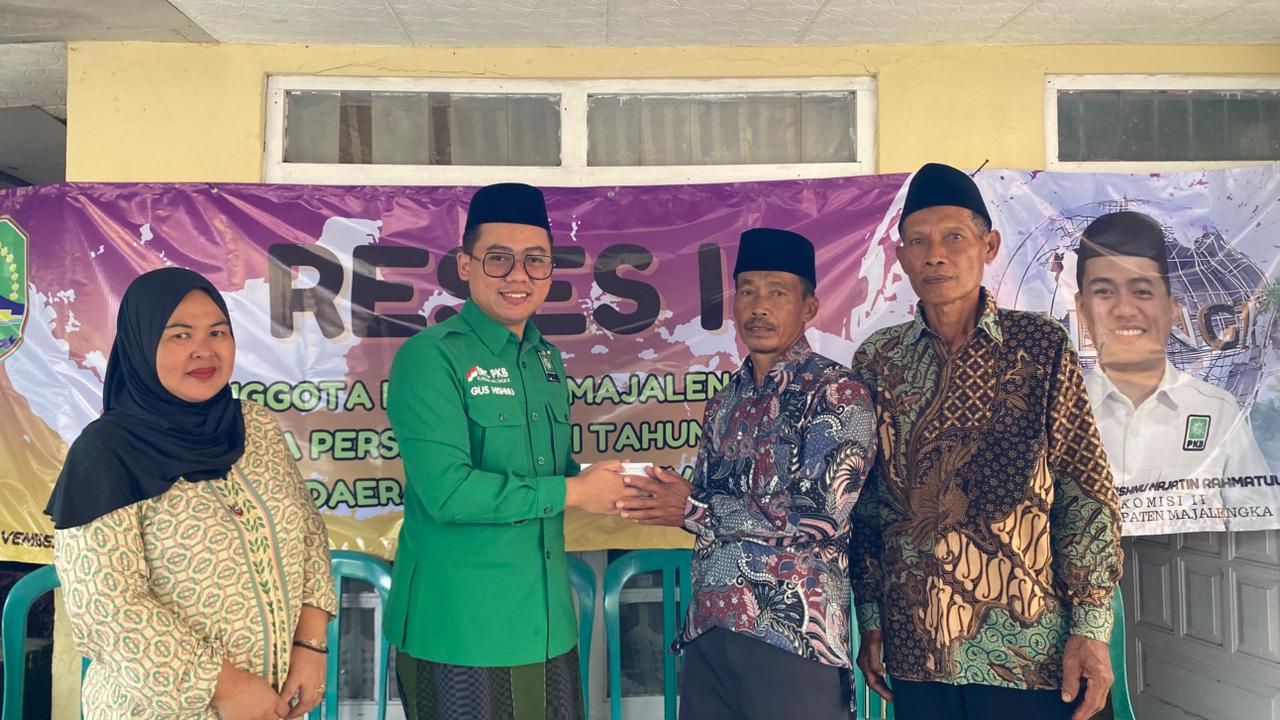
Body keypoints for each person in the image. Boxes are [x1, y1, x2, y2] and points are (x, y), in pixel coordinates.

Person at [849, 163, 1123, 720]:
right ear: (901, 258)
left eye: (954, 237)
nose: (935, 256)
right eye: (918, 242)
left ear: (989, 246)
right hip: (917, 648)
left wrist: (1091, 627)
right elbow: (870, 505)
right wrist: (872, 619)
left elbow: (1084, 488)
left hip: (1030, 651)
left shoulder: (1038, 346)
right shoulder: (878, 361)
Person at [384, 182, 639, 720]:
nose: (518, 276)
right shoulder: (431, 358)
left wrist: (611, 484)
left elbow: (551, 474)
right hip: (461, 628)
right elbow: (449, 493)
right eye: (498, 258)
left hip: (546, 624)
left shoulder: (545, 360)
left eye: (535, 260)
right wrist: (574, 491)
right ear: (465, 265)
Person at [47, 267, 337, 720]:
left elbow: (308, 534)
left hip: (272, 702)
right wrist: (226, 687)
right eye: (179, 335)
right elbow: (106, 607)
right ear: (142, 344)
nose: (204, 350)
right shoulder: (105, 454)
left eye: (217, 332)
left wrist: (310, 645)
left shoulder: (254, 425)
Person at [616, 228, 877, 719]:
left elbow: (819, 518)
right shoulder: (725, 400)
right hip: (710, 632)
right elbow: (706, 506)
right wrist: (663, 495)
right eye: (748, 291)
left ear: (809, 307)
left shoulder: (836, 392)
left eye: (777, 293)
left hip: (792, 639)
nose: (759, 307)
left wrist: (692, 506)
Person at [1075, 210, 1277, 533]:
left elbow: (1258, 525)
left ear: (1171, 310)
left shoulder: (1217, 411)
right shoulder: (1058, 417)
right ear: (1081, 308)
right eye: (1104, 292)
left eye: (1142, 291)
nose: (1124, 309)